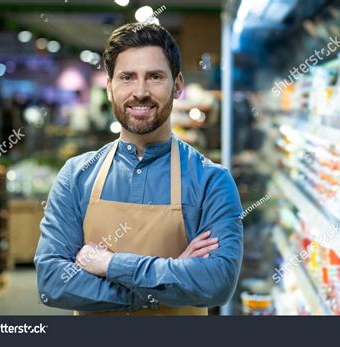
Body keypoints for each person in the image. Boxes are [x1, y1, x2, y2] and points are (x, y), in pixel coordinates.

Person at [34, 23, 244, 316]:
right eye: (127, 77)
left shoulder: (212, 181)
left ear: (178, 85)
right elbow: (52, 282)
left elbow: (216, 283)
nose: (141, 92)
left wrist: (108, 265)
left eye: (155, 77)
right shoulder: (76, 176)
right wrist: (167, 284)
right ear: (109, 88)